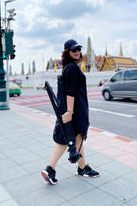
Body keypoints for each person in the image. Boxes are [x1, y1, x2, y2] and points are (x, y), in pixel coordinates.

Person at [41, 39, 99, 185]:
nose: (77, 52)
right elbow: (70, 92)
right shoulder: (72, 68)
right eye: (74, 50)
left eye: (79, 49)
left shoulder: (68, 67)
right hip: (75, 109)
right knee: (72, 137)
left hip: (71, 109)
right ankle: (56, 168)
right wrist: (70, 111)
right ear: (67, 52)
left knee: (73, 138)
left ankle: (78, 168)